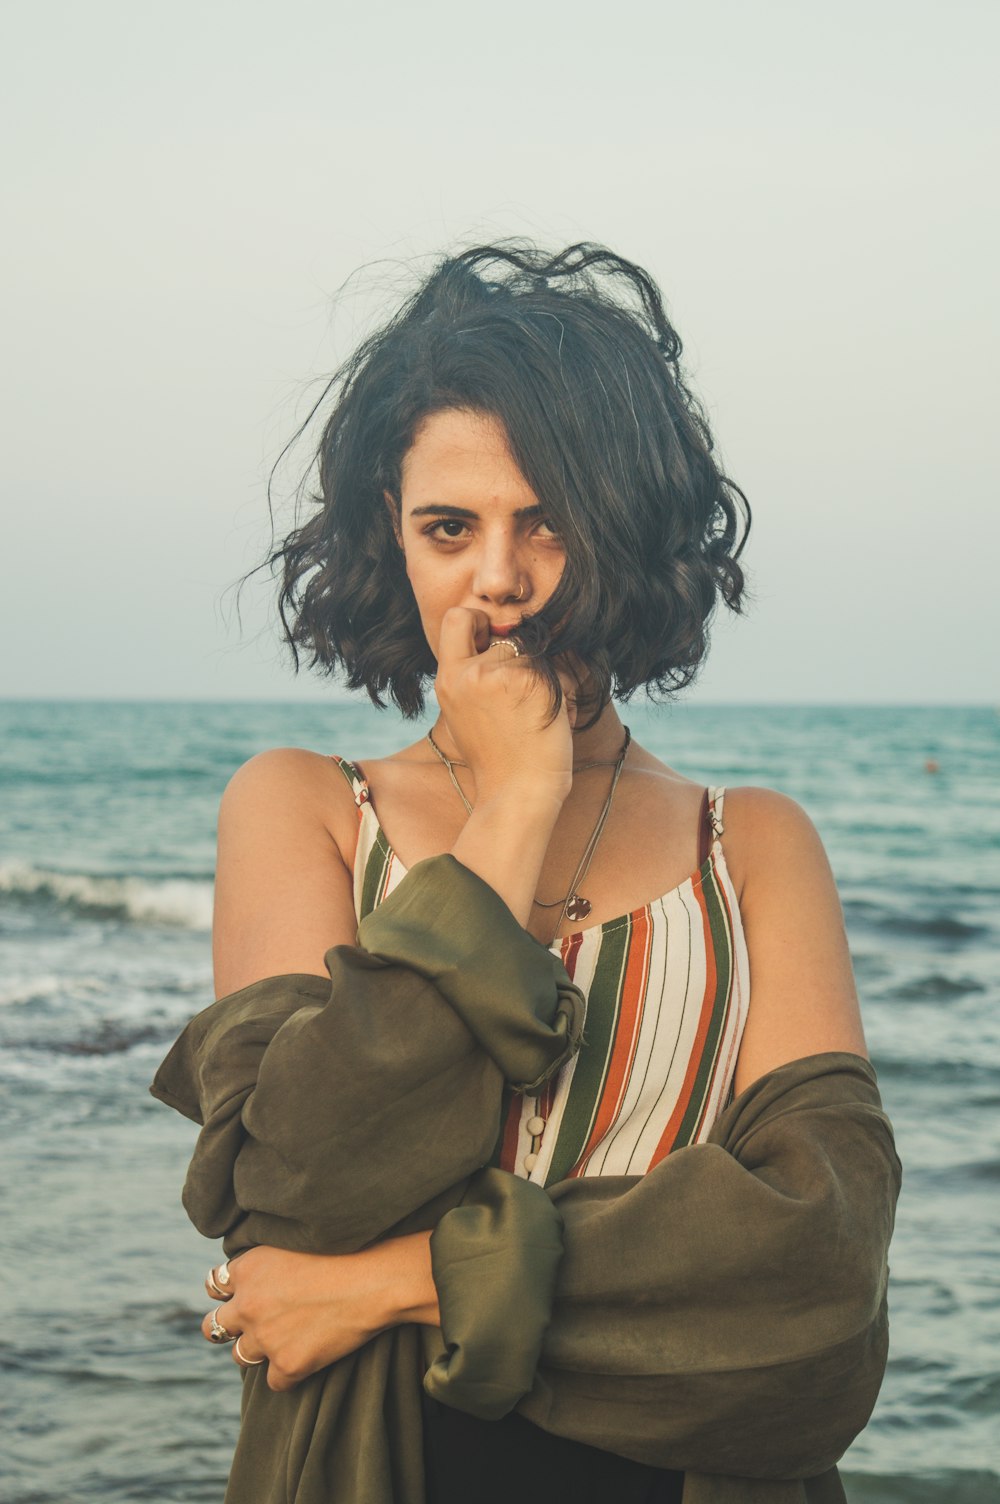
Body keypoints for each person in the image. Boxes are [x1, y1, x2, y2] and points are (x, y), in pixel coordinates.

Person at [154, 242, 898, 1504]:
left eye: (545, 519)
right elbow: (302, 1187)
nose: (498, 578)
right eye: (450, 527)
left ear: (629, 525)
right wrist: (516, 806)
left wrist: (401, 1281)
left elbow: (815, 1278)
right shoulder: (303, 810)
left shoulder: (754, 846)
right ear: (391, 538)